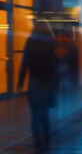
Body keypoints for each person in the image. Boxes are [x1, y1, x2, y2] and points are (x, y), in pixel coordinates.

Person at [18, 20, 58, 149]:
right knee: (45, 112)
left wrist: (20, 81)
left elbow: (25, 63)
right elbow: (54, 64)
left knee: (35, 113)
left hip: (34, 81)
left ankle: (37, 140)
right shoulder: (51, 42)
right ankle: (46, 137)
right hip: (47, 81)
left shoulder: (30, 42)